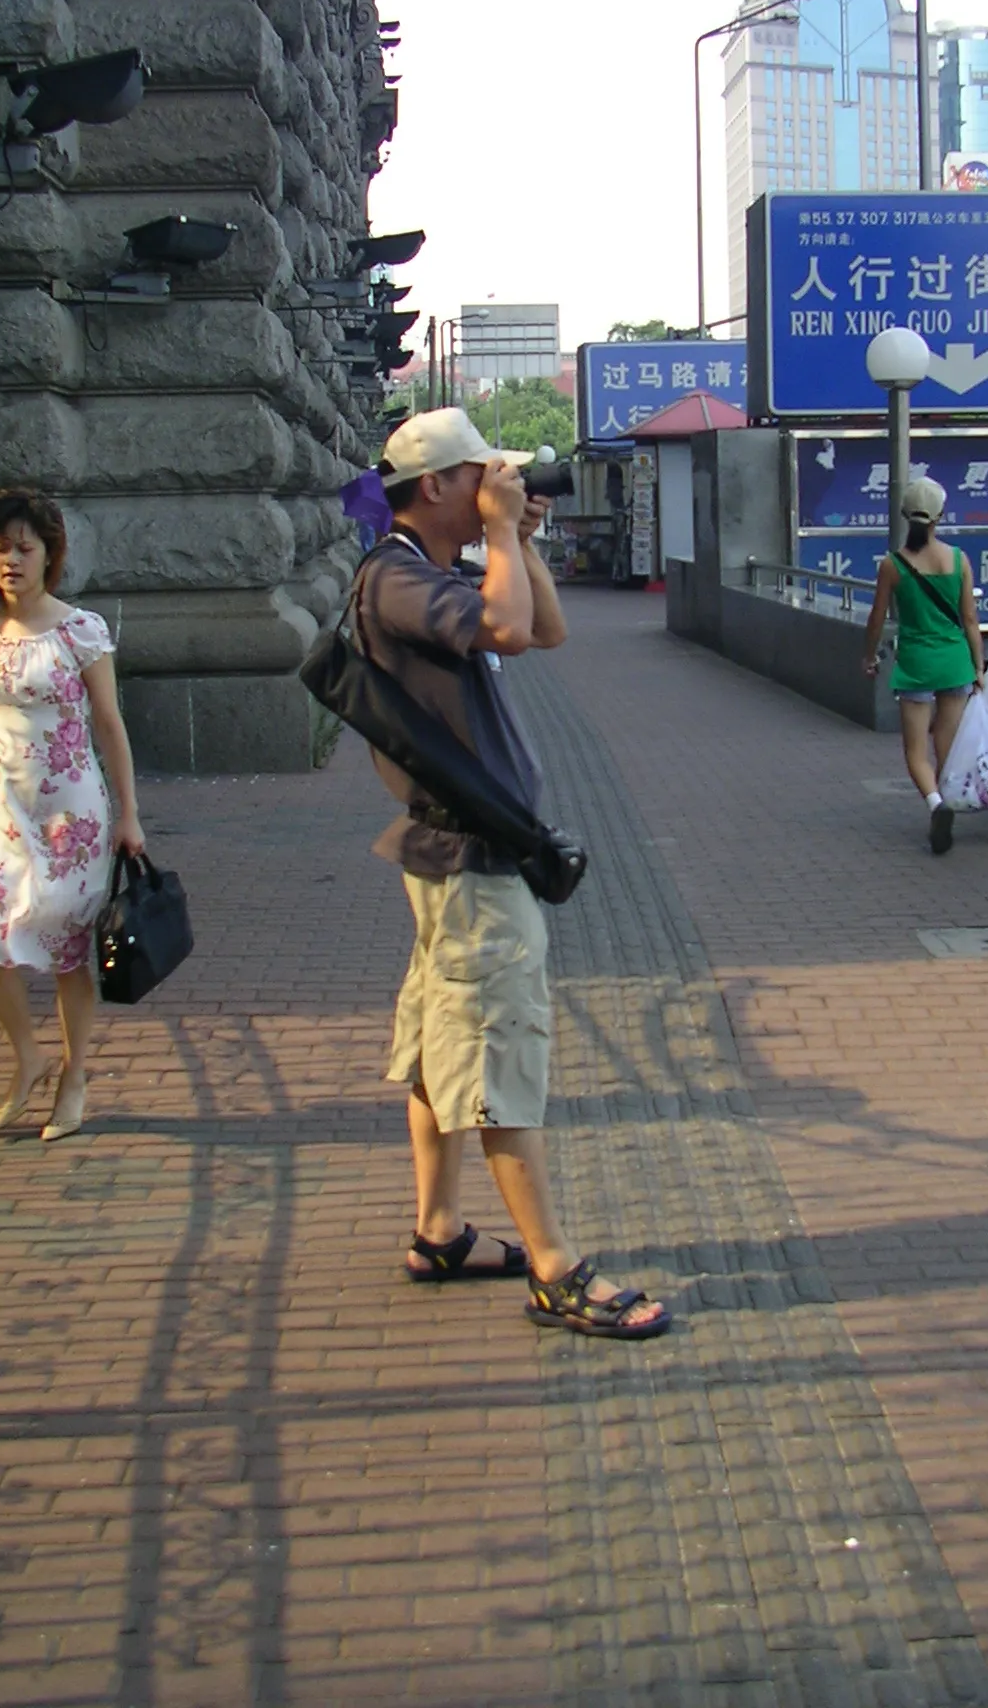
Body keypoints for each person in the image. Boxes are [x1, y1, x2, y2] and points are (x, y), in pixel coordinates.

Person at [358, 407, 669, 1339]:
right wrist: (499, 535)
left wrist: (516, 538)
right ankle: (554, 1269)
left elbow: (548, 629)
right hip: (467, 861)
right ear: (437, 485)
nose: (503, 484)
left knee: (441, 1047)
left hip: (467, 854)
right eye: (484, 474)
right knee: (500, 1056)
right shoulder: (397, 577)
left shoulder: (432, 570)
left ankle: (439, 1230)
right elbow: (503, 627)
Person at [0, 487, 144, 1139]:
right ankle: (29, 1060)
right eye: (0, 549)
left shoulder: (80, 631)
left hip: (73, 814)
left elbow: (109, 724)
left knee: (67, 952)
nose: (11, 561)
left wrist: (130, 815)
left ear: (49, 555)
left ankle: (74, 1077)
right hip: (6, 813)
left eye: (24, 549)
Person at [861, 476, 985, 856]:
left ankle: (935, 803)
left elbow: (877, 617)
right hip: (955, 662)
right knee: (946, 743)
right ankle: (948, 798)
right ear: (939, 516)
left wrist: (869, 656)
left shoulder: (893, 564)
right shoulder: (959, 559)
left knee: (915, 752)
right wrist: (979, 667)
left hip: (915, 661)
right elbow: (970, 619)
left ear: (904, 514)